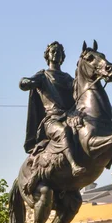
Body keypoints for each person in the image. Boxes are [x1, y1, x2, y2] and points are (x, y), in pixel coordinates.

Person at [19, 41, 85, 181]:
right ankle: (74, 165)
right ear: (47, 56)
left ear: (62, 57)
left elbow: (80, 94)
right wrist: (25, 82)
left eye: (59, 52)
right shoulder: (43, 76)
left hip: (70, 116)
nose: (56, 54)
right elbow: (25, 82)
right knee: (63, 131)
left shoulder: (68, 78)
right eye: (53, 51)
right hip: (52, 120)